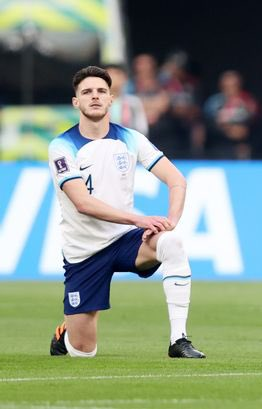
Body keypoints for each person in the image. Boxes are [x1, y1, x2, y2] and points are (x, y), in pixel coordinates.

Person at [47, 66, 204, 359]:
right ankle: (66, 333)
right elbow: (83, 203)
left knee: (172, 242)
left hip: (125, 241)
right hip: (85, 252)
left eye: (101, 92)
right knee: (83, 352)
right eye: (87, 92)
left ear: (111, 99)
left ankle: (178, 340)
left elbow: (176, 180)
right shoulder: (61, 146)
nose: (95, 97)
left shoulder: (131, 139)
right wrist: (139, 219)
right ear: (76, 102)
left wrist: (170, 222)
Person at [104, 63, 149, 136]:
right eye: (109, 75)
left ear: (124, 78)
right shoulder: (97, 102)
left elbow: (142, 128)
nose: (113, 78)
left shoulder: (133, 102)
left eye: (117, 74)